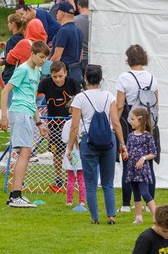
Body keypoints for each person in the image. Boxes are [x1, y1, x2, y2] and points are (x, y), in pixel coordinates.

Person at [67, 64, 126, 225]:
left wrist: (70, 147)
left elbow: (74, 126)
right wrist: (122, 143)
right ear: (101, 79)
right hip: (109, 141)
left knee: (91, 182)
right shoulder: (109, 96)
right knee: (108, 182)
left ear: (85, 78)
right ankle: (111, 215)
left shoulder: (80, 98)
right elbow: (115, 122)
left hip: (88, 141)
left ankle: (95, 217)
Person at [0, 40, 50, 208]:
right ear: (32, 54)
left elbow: (32, 100)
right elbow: (5, 91)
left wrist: (39, 123)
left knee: (26, 153)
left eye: (45, 58)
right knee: (25, 153)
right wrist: (4, 116)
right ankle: (15, 196)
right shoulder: (22, 70)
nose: (43, 60)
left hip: (28, 113)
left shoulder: (36, 73)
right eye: (41, 57)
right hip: (19, 112)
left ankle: (16, 194)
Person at [116, 44, 160, 212]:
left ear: (128, 59)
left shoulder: (124, 78)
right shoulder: (151, 77)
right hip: (149, 124)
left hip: (130, 123)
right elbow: (157, 103)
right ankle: (151, 202)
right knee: (149, 162)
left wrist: (115, 123)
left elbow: (120, 105)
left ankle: (127, 204)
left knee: (128, 162)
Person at [38, 60, 81, 190]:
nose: (57, 80)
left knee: (73, 149)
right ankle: (58, 178)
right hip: (53, 122)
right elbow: (33, 95)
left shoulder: (72, 82)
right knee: (57, 152)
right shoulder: (45, 83)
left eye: (60, 76)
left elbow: (80, 99)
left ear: (66, 73)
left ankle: (73, 176)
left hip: (70, 122)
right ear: (50, 75)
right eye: (54, 76)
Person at [126, 107, 158, 224]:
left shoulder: (147, 136)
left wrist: (143, 158)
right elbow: (128, 151)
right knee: (136, 193)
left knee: (145, 192)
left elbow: (153, 153)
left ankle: (156, 215)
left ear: (140, 120)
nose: (130, 121)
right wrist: (125, 154)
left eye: (133, 119)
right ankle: (138, 217)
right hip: (132, 169)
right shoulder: (130, 136)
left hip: (142, 170)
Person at [49, 1, 83, 85]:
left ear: (62, 13)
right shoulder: (78, 30)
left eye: (57, 13)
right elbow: (80, 55)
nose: (56, 15)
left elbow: (57, 57)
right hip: (76, 72)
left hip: (64, 74)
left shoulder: (63, 31)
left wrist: (45, 67)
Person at [0, 13, 26, 85]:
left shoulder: (12, 40)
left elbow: (11, 59)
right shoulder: (24, 38)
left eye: (9, 22)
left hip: (11, 75)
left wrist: (1, 62)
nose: (8, 25)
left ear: (13, 24)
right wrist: (7, 46)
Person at [61, 117, 85, 206]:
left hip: (70, 152)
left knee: (70, 179)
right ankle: (82, 201)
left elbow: (64, 139)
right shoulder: (84, 123)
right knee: (81, 179)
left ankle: (69, 201)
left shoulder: (68, 123)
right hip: (81, 152)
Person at [74, 0, 90, 73]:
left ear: (78, 7)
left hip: (80, 59)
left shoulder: (74, 21)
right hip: (95, 57)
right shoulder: (96, 20)